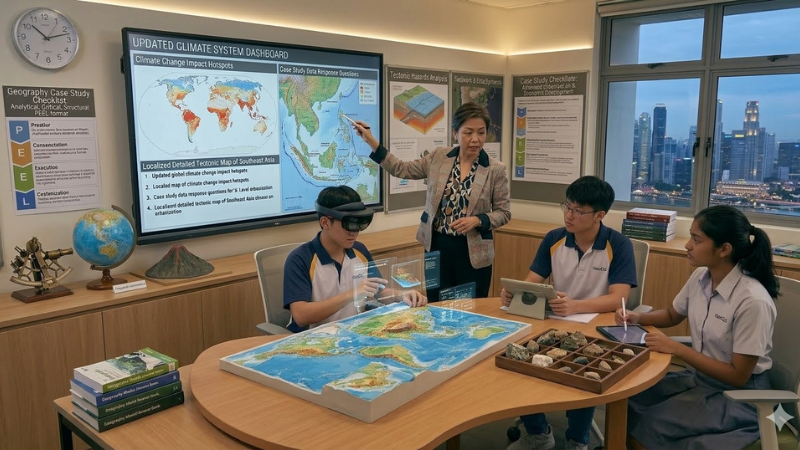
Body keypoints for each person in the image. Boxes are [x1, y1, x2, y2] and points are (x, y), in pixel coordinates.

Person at [617, 205, 778, 450]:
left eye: (696, 239)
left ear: (724, 249)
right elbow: (672, 315)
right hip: (700, 379)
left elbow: (738, 375)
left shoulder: (752, 301)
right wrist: (637, 318)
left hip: (739, 396)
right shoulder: (702, 276)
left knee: (649, 426)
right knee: (627, 399)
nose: (687, 245)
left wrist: (677, 349)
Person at [501, 175, 638, 450]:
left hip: (596, 325)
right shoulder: (554, 239)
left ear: (599, 215)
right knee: (516, 357)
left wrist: (575, 305)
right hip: (555, 321)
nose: (569, 215)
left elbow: (619, 298)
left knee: (584, 370)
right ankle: (539, 433)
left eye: (578, 211)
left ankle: (577, 440)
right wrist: (515, 292)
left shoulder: (618, 245)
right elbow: (532, 282)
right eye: (567, 206)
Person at [352, 102, 511, 301]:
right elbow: (402, 169)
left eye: (481, 132)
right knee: (437, 303)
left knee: (472, 307)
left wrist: (478, 220)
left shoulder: (495, 169)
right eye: (468, 132)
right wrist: (371, 141)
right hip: (437, 247)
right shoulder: (439, 157)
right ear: (455, 133)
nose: (475, 139)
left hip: (473, 252)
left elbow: (504, 213)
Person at [283, 185, 427, 332]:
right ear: (325, 222)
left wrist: (401, 295)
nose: (354, 232)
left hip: (353, 332)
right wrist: (351, 294)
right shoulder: (300, 259)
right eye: (348, 225)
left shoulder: (360, 251)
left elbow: (379, 291)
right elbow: (301, 316)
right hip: (313, 338)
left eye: (358, 225)